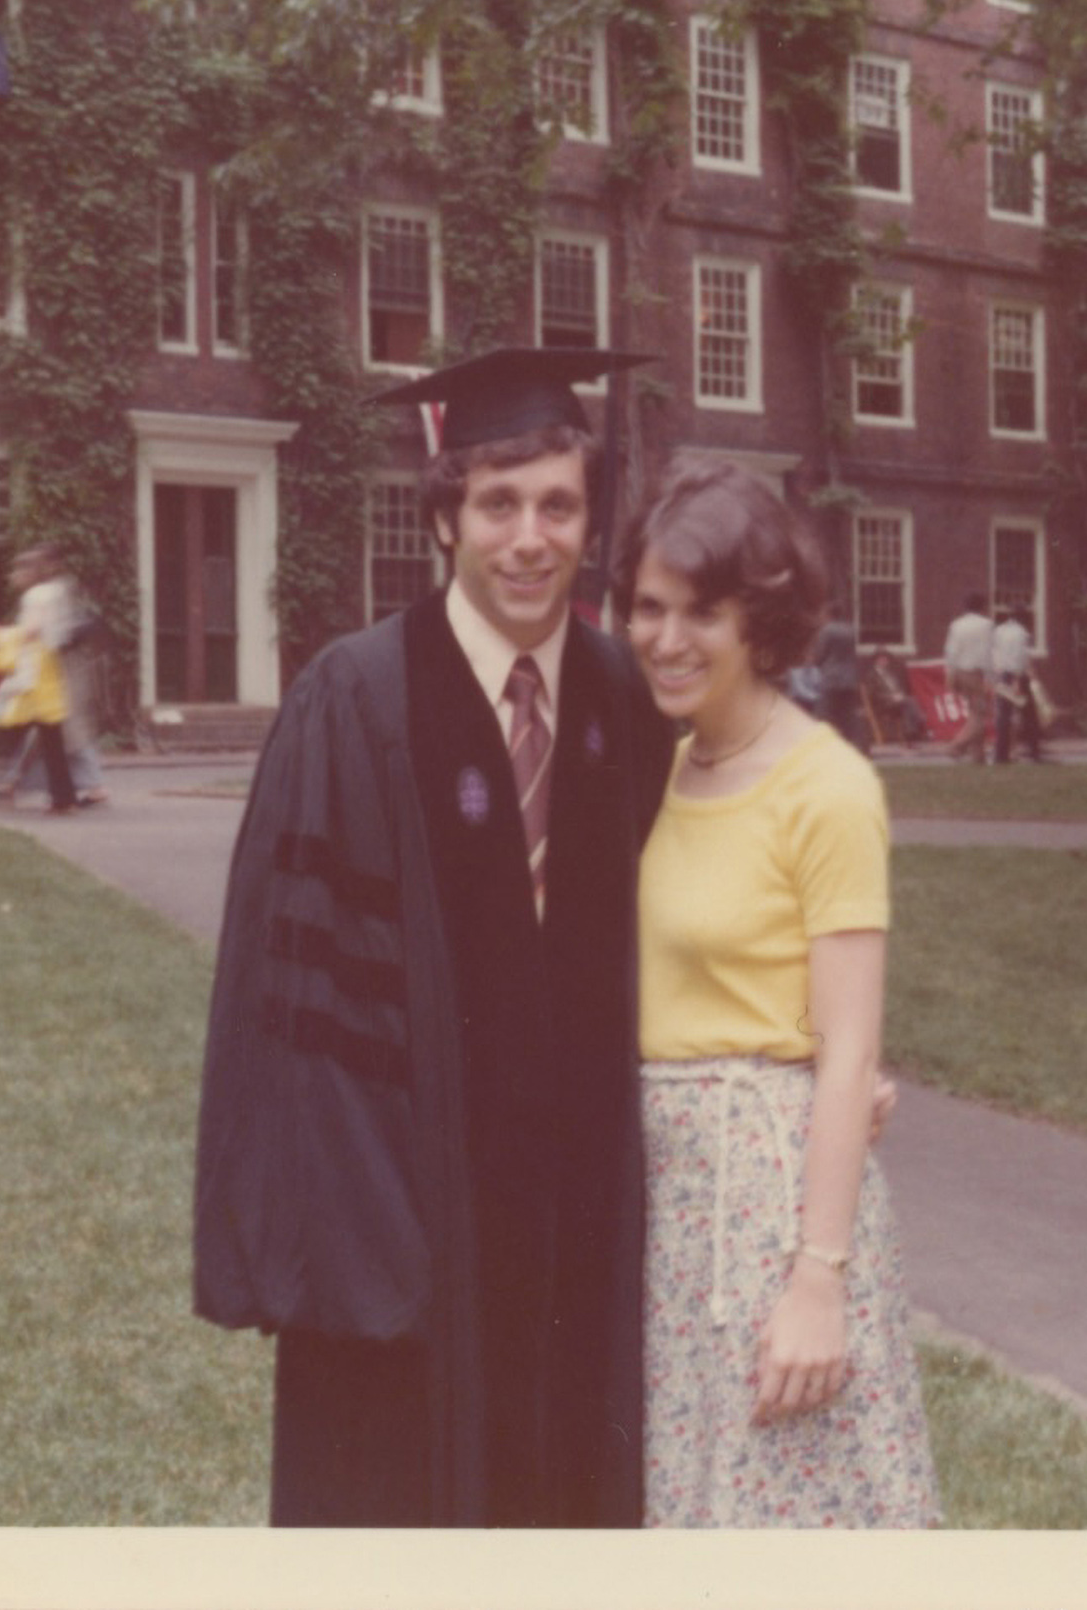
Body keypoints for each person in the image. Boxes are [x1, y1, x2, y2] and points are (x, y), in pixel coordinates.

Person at [192, 346, 672, 1528]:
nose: (529, 537)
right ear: (444, 519)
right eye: (497, 504)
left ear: (589, 521)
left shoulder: (622, 695)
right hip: (412, 1226)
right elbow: (294, 1010)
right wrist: (360, 1244)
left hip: (585, 1224)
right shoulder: (356, 698)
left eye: (558, 505)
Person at [615, 461, 939, 1529]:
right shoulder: (655, 771)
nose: (667, 638)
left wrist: (817, 1280)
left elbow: (848, 1051)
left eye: (701, 611)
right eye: (648, 608)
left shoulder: (826, 784)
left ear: (761, 618)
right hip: (658, 1200)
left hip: (767, 1207)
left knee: (790, 1517)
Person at [0, 549, 82, 815]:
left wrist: (5, 636)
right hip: (50, 668)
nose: (13, 576)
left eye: (18, 570)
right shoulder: (56, 593)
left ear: (30, 573)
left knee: (9, 730)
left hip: (32, 672)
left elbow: (31, 630)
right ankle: (64, 798)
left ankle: (1, 788)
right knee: (51, 739)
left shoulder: (34, 596)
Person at [941, 591, 996, 764]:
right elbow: (988, 653)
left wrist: (949, 674)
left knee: (974, 713)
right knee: (980, 715)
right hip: (976, 674)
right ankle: (955, 746)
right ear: (983, 607)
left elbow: (951, 651)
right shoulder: (987, 625)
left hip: (959, 672)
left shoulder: (956, 625)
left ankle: (978, 758)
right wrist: (989, 677)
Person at [991, 605, 1047, 764]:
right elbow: (1019, 656)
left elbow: (994, 653)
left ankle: (1000, 755)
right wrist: (1017, 679)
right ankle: (1034, 752)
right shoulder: (1022, 633)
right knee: (1029, 715)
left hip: (1001, 675)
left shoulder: (999, 630)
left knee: (1003, 716)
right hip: (1016, 677)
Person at [810, 610, 870, 755]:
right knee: (850, 716)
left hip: (832, 678)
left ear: (828, 614)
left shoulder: (827, 630)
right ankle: (860, 747)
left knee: (824, 713)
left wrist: (815, 661)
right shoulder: (850, 630)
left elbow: (820, 654)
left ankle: (821, 748)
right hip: (850, 679)